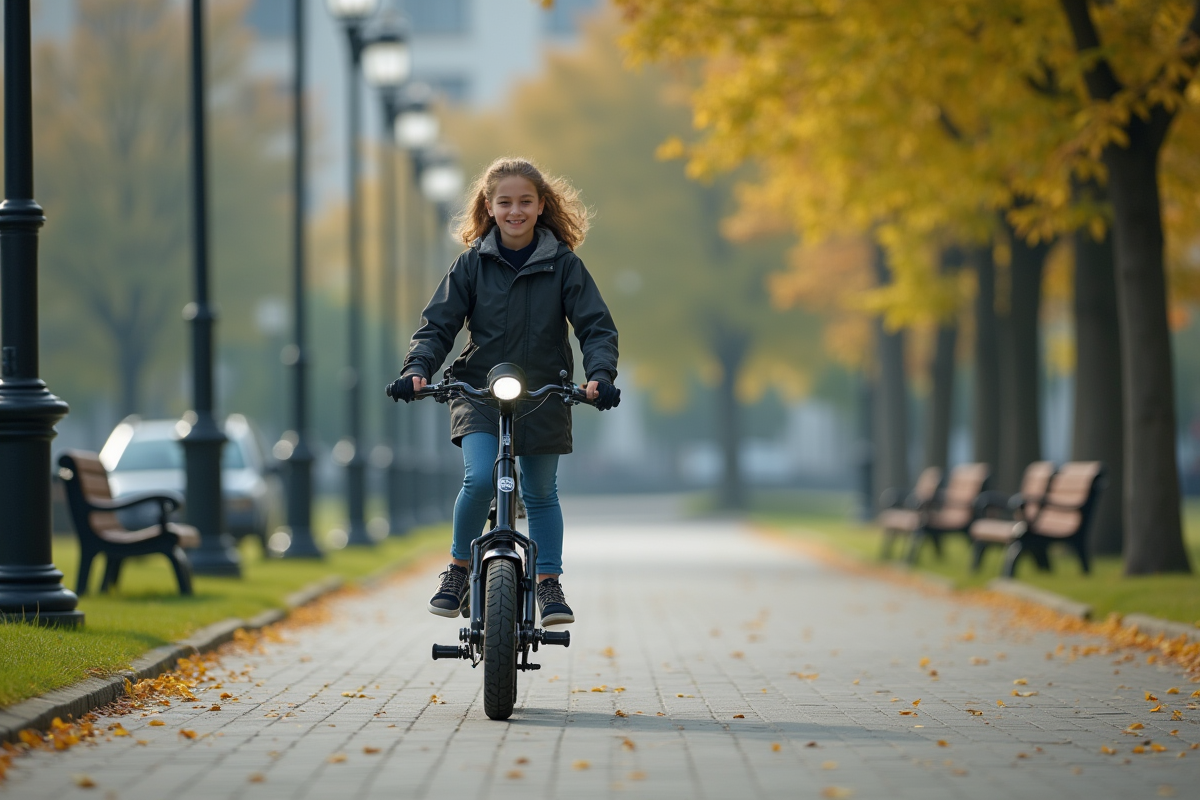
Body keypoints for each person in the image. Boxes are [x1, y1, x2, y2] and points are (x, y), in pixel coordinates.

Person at [388, 157, 620, 627]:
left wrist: (601, 376)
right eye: (505, 202)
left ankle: (549, 581)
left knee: (539, 493)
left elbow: (596, 327)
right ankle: (457, 569)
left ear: (540, 207)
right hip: (477, 391)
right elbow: (438, 326)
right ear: (489, 208)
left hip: (545, 394)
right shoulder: (471, 265)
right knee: (478, 479)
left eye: (525, 202)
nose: (515, 211)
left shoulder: (564, 266)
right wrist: (417, 368)